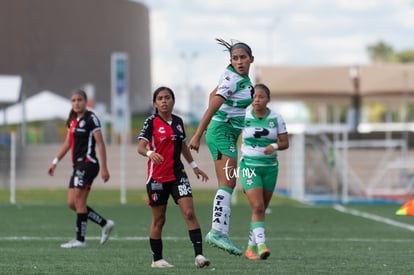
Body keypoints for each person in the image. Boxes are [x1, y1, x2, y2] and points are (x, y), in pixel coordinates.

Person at [188, 38, 255, 256]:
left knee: (229, 181)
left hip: (228, 132)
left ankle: (219, 232)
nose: (239, 61)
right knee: (228, 181)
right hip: (222, 131)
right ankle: (217, 233)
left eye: (242, 57)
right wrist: (198, 134)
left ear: (251, 59)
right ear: (231, 61)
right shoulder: (233, 78)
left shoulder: (238, 78)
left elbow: (210, 96)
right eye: (235, 58)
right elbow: (212, 105)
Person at [137, 86, 211, 268]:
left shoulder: (178, 121)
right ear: (155, 103)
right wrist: (149, 153)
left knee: (189, 212)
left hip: (178, 175)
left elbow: (182, 146)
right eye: (160, 98)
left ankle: (199, 256)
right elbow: (140, 147)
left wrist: (194, 166)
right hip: (157, 178)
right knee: (159, 219)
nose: (164, 101)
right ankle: (157, 259)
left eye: (167, 97)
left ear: (173, 101)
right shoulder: (151, 122)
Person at [47, 89, 114, 248]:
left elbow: (100, 143)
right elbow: (67, 144)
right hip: (77, 165)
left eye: (79, 100)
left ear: (85, 102)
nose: (76, 103)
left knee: (79, 201)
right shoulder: (72, 120)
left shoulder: (91, 119)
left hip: (88, 163)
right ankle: (105, 223)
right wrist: (55, 161)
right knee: (72, 203)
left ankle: (80, 240)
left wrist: (105, 168)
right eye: (73, 100)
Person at [240, 83, 289, 260]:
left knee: (260, 209)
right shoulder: (243, 116)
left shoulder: (276, 118)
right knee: (258, 207)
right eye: (254, 96)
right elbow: (233, 136)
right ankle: (262, 246)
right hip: (248, 167)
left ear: (268, 99)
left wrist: (274, 145)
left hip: (270, 169)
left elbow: (285, 142)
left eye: (261, 96)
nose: (257, 99)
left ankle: (249, 248)